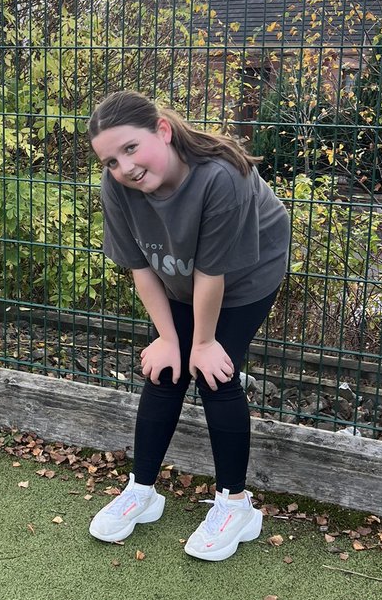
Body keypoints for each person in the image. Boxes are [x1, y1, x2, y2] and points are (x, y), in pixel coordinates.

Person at [87, 90, 290, 561]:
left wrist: (200, 343)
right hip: (180, 272)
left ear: (162, 130)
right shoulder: (115, 186)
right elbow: (141, 269)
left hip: (245, 276)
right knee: (166, 370)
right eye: (112, 160)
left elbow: (212, 274)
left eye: (131, 149)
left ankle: (236, 506)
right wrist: (169, 340)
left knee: (215, 373)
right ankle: (142, 491)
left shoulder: (222, 177)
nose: (124, 168)